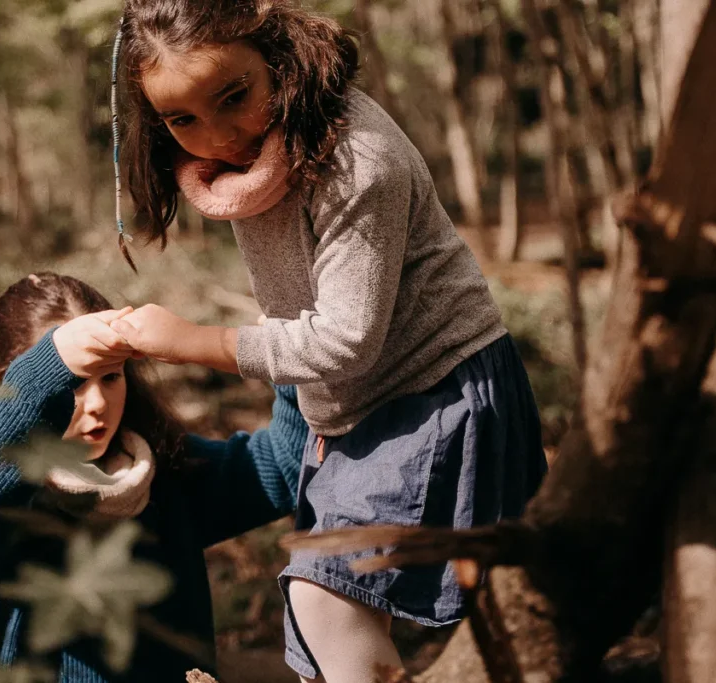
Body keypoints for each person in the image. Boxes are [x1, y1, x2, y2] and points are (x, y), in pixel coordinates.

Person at [103, 2, 549, 681]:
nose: (219, 135)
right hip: (358, 407)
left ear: (274, 53)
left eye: (233, 96)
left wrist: (198, 341)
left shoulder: (356, 159)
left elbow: (344, 340)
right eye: (182, 119)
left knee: (328, 595)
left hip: (434, 391)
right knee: (318, 637)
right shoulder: (250, 166)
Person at [0, 272, 308, 683]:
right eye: (70, 386)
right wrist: (49, 367)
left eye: (110, 377)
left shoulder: (162, 476)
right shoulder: (6, 503)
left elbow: (285, 465)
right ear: (5, 386)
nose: (95, 404)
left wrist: (281, 356)